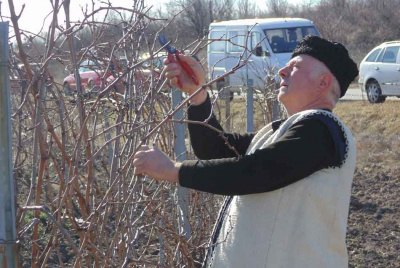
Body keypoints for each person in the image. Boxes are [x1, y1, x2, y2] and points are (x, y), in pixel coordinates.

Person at [133, 36, 359, 268]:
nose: (282, 71)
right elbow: (215, 149)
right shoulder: (284, 132)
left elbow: (256, 171)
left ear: (323, 83)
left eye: (296, 66)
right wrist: (198, 94)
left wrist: (173, 170)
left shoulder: (321, 130)